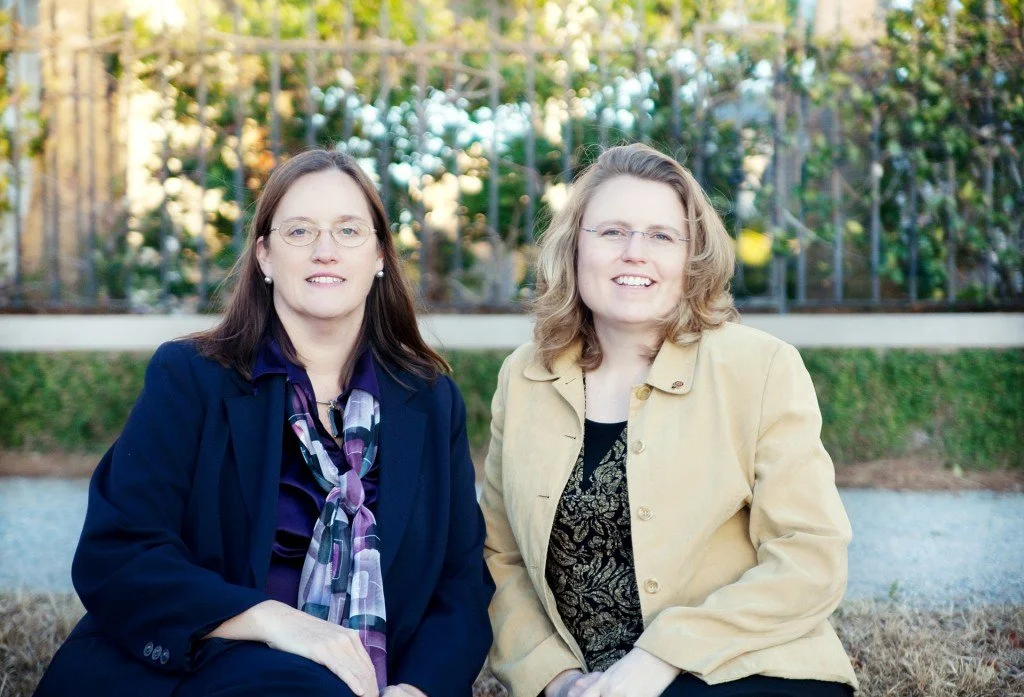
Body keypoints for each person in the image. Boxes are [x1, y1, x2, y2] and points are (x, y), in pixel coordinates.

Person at [35, 148, 493, 697]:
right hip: (198, 672)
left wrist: (417, 689)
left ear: (378, 256)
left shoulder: (430, 399)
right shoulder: (190, 378)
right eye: (299, 232)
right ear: (265, 258)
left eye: (349, 230)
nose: (326, 250)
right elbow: (120, 552)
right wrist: (276, 621)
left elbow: (459, 585)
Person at [480, 143, 858, 697]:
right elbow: (500, 558)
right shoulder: (524, 377)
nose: (636, 252)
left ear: (692, 258)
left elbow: (810, 555)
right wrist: (556, 681)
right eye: (611, 232)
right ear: (574, 249)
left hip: (744, 669)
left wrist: (659, 658)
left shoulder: (760, 366)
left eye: (662, 236)